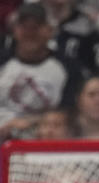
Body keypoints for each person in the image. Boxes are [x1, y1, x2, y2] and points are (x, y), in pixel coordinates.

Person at [0, 3, 85, 139]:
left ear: (50, 30)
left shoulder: (68, 67)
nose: (30, 33)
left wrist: (30, 122)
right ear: (14, 30)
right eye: (24, 27)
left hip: (46, 142)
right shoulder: (2, 62)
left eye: (36, 27)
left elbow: (69, 111)